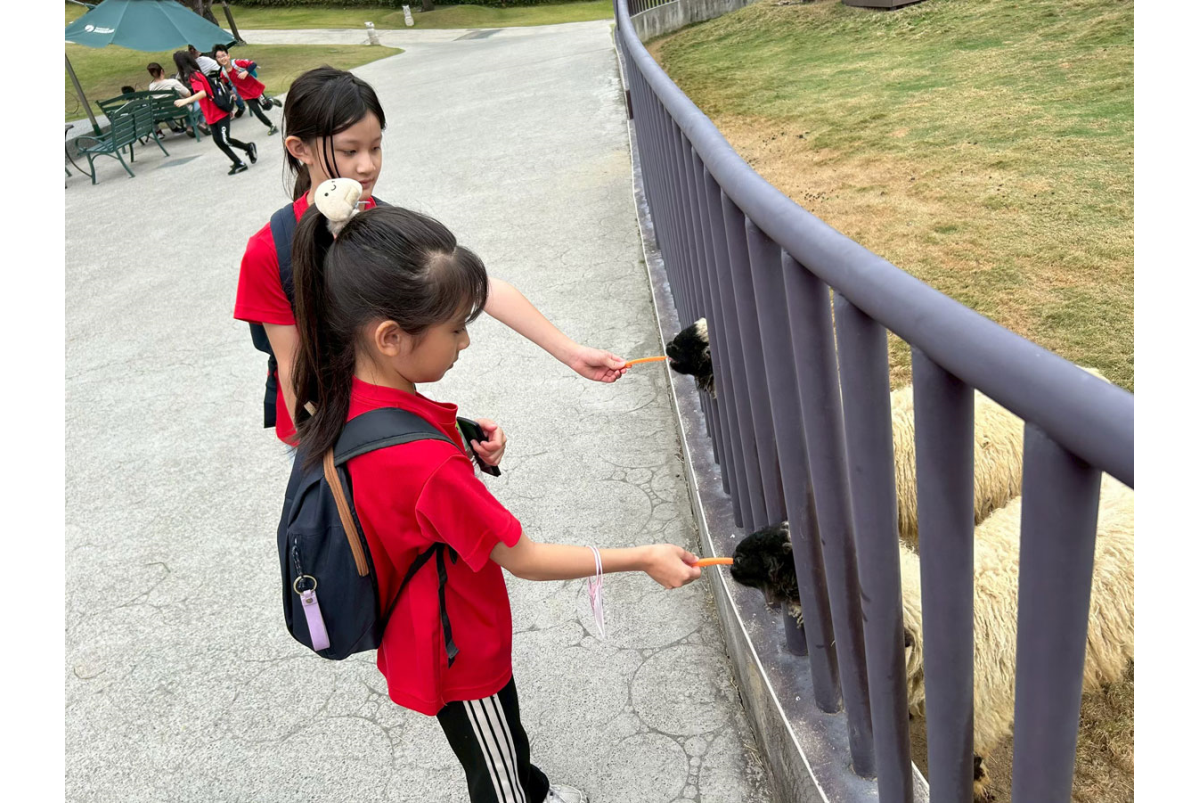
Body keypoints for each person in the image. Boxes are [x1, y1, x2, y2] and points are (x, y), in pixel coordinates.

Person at [289, 191, 703, 803]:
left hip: (432, 618)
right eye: (456, 328)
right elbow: (525, 558)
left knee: (502, 743)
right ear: (391, 337)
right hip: (455, 646)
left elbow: (396, 478)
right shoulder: (424, 463)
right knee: (496, 769)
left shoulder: (345, 388)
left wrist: (458, 437)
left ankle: (531, 788)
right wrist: (643, 558)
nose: (465, 342)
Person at [234, 66, 629, 447]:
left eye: (376, 147)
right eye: (349, 150)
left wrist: (572, 353)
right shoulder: (269, 250)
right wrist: (324, 459)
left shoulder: (384, 224)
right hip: (324, 428)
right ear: (299, 149)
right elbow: (294, 367)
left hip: (386, 415)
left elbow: (479, 286)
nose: (367, 165)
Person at [172, 50, 256, 175]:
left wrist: (186, 101)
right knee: (219, 141)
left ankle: (247, 149)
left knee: (225, 139)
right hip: (210, 113)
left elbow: (202, 93)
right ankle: (238, 160)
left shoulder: (194, 76)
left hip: (218, 112)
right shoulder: (196, 73)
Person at [213, 45, 277, 135]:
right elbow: (226, 83)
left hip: (255, 89)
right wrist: (232, 93)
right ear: (216, 60)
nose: (222, 58)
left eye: (223, 55)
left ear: (228, 55)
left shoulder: (237, 63)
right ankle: (271, 126)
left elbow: (253, 64)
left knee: (266, 107)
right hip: (245, 94)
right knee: (257, 112)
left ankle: (271, 100)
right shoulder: (223, 73)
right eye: (219, 57)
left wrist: (246, 72)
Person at [147, 62, 208, 137]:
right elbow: (188, 94)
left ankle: (190, 127)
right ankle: (201, 123)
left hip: (168, 113)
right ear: (162, 71)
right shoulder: (173, 82)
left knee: (185, 104)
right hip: (183, 109)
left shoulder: (151, 87)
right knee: (199, 98)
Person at [189, 44, 245, 117]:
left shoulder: (201, 60)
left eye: (194, 49)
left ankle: (234, 108)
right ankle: (234, 108)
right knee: (226, 89)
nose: (193, 51)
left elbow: (219, 69)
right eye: (191, 49)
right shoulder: (195, 62)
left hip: (215, 84)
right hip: (212, 85)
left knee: (227, 88)